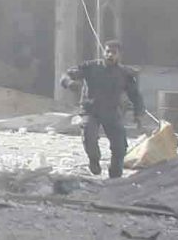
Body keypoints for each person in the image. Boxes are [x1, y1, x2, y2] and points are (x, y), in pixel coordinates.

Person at [61, 40, 153, 179]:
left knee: (120, 146)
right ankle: (94, 160)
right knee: (89, 136)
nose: (110, 55)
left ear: (119, 55)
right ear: (103, 52)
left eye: (113, 52)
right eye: (107, 51)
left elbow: (135, 95)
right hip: (91, 110)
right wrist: (70, 83)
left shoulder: (124, 74)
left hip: (112, 112)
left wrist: (138, 113)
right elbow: (66, 75)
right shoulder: (91, 67)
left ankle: (115, 176)